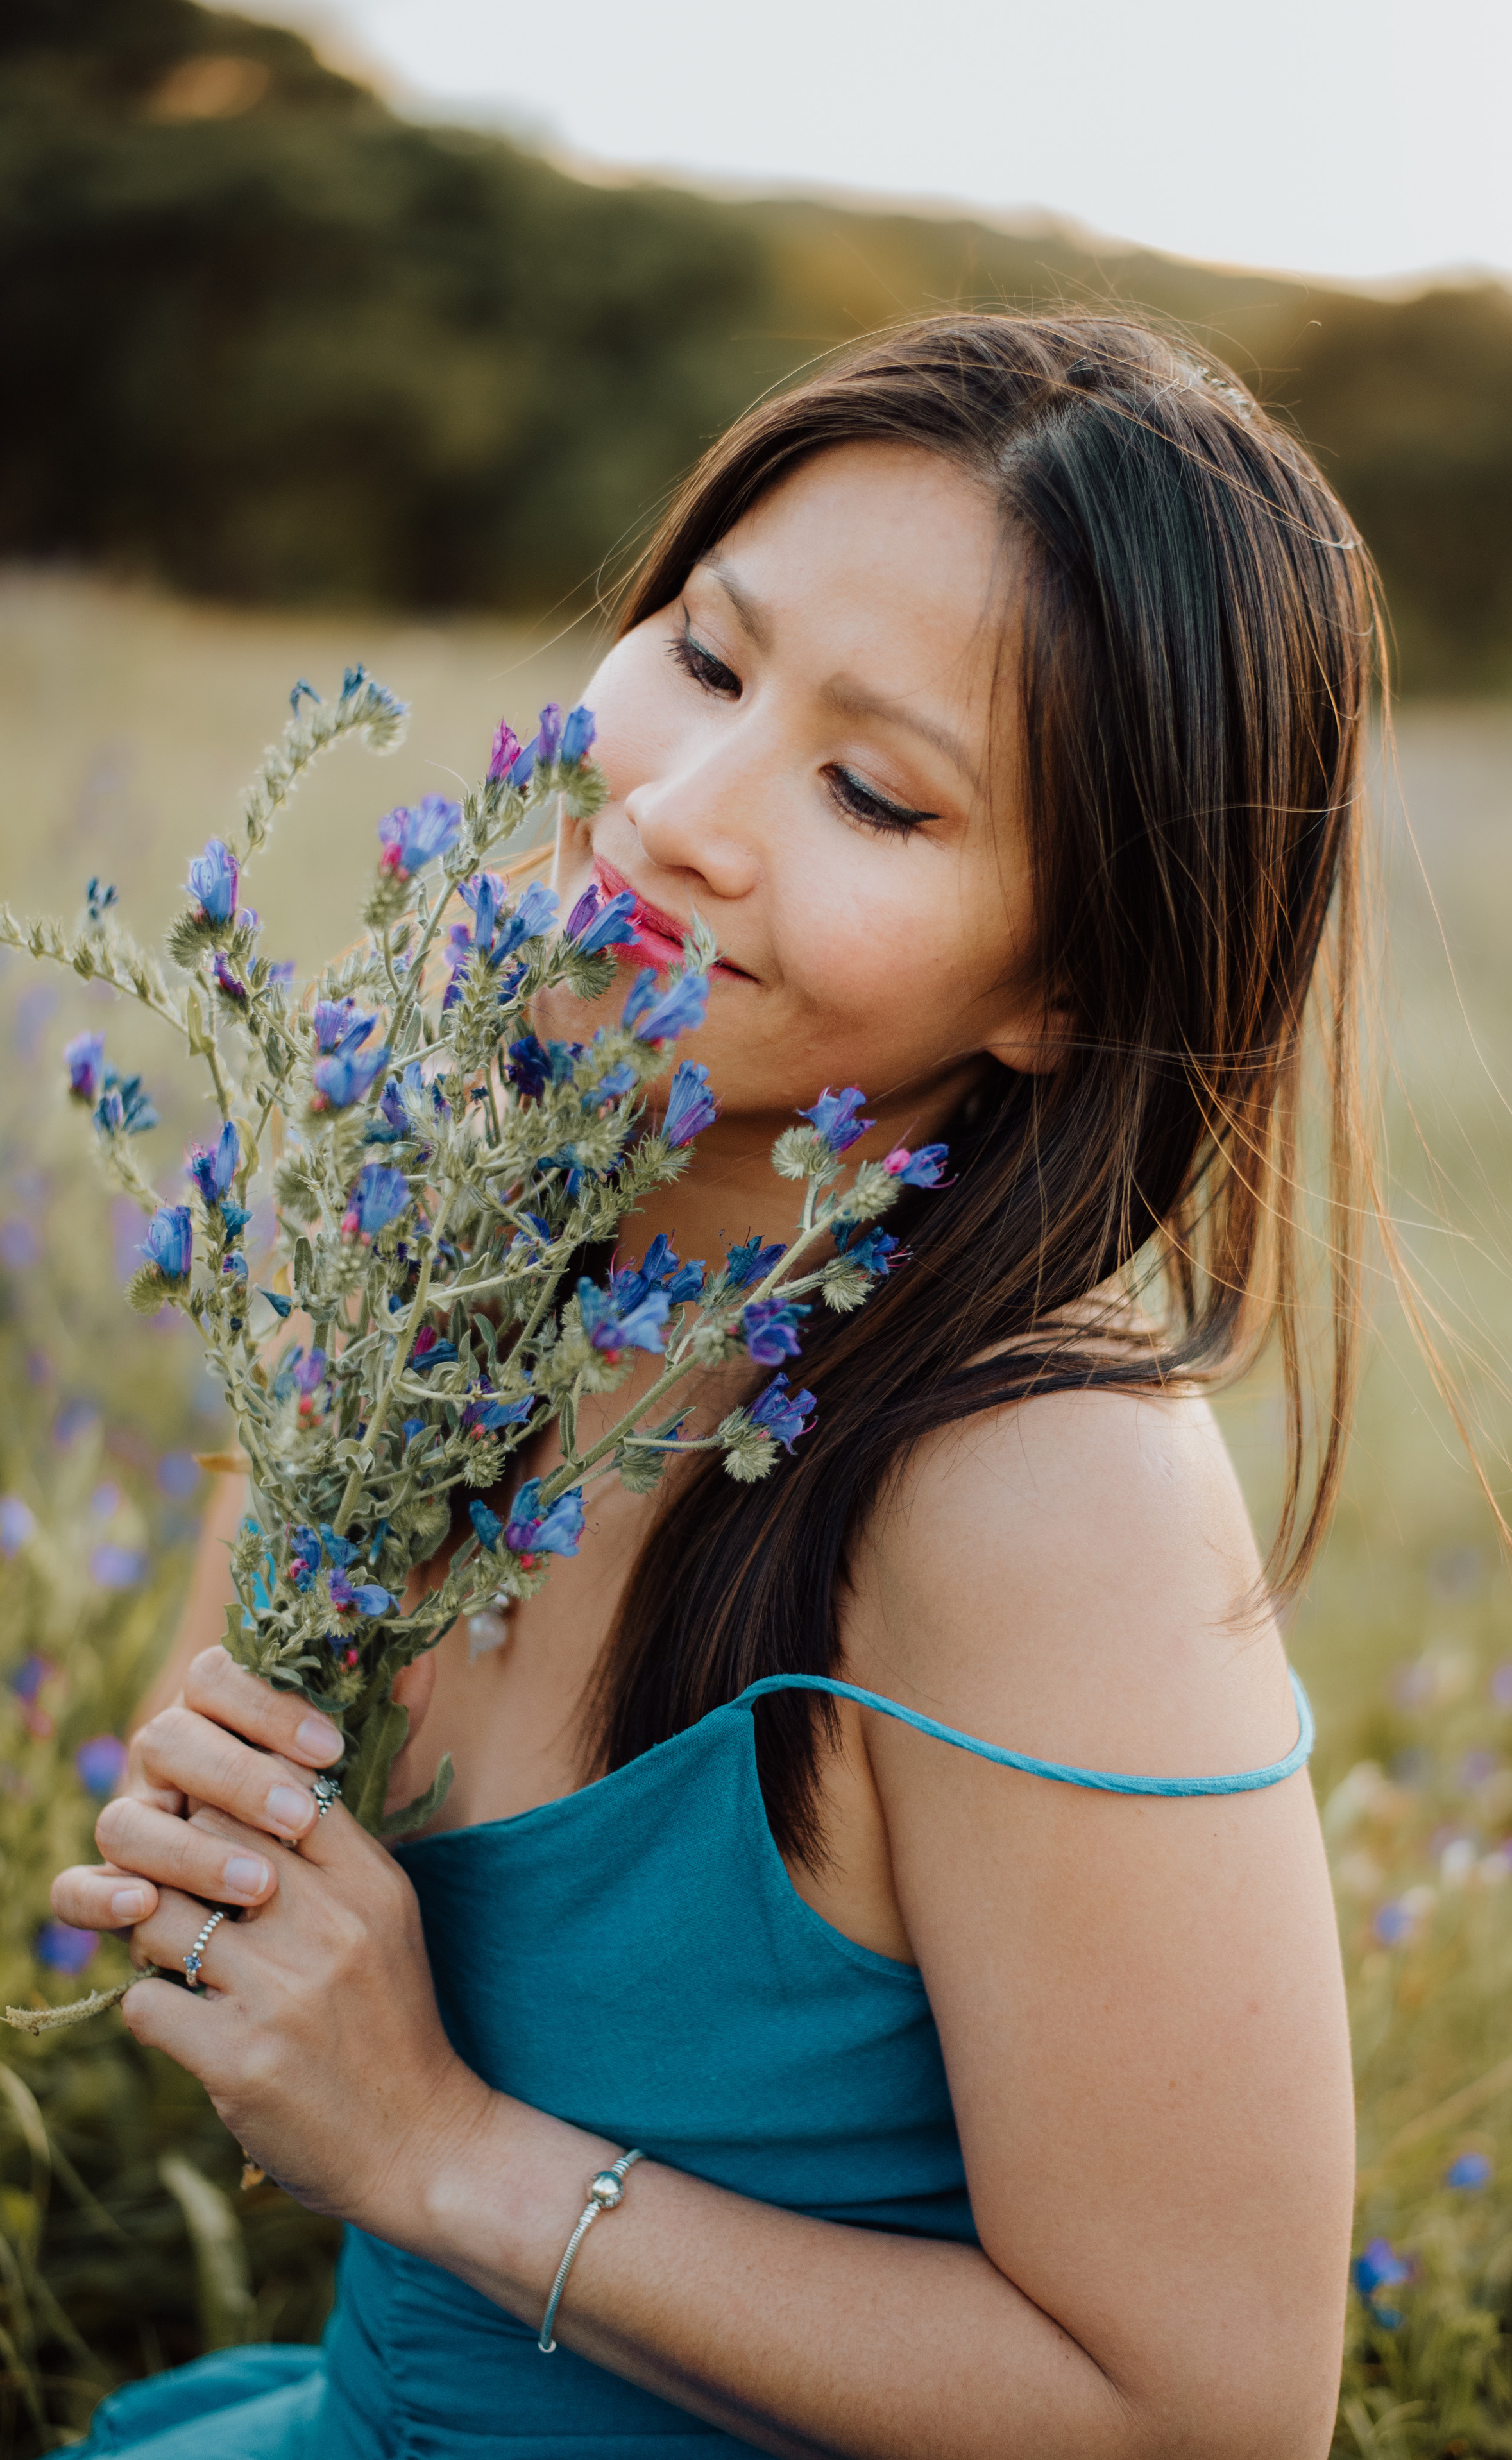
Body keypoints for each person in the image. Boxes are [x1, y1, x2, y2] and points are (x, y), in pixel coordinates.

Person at [54, 312, 1370, 2459]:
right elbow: (233, 1920)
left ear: (1061, 982)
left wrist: (442, 2149)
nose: (673, 812)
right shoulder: (443, 1247)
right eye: (703, 654)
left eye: (873, 790)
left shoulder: (1043, 1494)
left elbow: (1212, 2418)